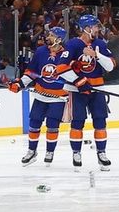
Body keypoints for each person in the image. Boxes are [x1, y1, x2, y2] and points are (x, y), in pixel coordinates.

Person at [12, 26, 75, 165]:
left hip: (58, 98)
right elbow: (32, 72)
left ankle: (50, 151)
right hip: (41, 95)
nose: (48, 37)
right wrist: (20, 84)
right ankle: (32, 151)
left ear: (59, 39)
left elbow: (72, 76)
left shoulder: (67, 55)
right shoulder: (40, 51)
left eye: (51, 35)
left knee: (52, 125)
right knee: (34, 123)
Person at [63, 14, 116, 170]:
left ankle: (101, 153)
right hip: (77, 90)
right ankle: (76, 153)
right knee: (77, 122)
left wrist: (97, 55)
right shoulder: (72, 44)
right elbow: (61, 69)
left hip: (97, 89)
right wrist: (79, 82)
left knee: (100, 121)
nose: (97, 28)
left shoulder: (100, 43)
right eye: (95, 26)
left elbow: (111, 66)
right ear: (86, 28)